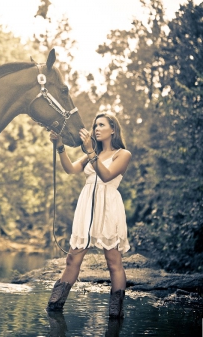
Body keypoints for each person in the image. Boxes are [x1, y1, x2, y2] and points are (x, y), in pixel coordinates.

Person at [46, 112, 132, 318]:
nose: (96, 129)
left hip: (109, 207)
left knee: (113, 262)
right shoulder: (90, 154)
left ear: (113, 129)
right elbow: (70, 169)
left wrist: (92, 152)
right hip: (87, 206)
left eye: (101, 125)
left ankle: (115, 314)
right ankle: (54, 308)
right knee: (71, 259)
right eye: (95, 126)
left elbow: (107, 175)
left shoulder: (123, 154)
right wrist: (60, 147)